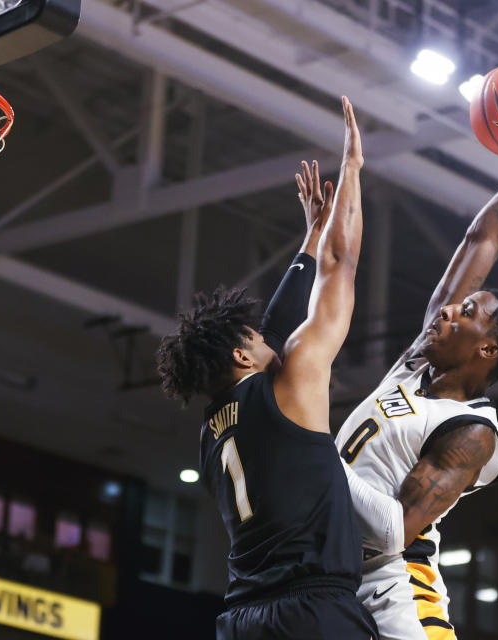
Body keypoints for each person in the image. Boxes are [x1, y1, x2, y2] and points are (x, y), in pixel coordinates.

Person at [334, 74, 498, 640]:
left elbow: (392, 532)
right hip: (336, 589)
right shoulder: (414, 368)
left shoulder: (470, 431)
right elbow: (485, 238)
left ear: (486, 350)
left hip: (397, 606)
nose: (447, 311)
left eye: (465, 313)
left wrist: (309, 455)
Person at [156, 97, 377, 640]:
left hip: (243, 619)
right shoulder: (293, 381)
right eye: (252, 336)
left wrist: (308, 237)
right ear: (240, 356)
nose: (265, 336)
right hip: (312, 611)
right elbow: (341, 263)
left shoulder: (212, 436)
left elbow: (275, 331)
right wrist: (351, 170)